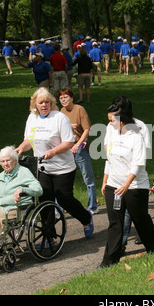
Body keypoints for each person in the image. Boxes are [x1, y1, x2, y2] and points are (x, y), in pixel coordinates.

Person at [16, 87, 94, 239]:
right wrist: (20, 148)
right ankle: (49, 234)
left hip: (63, 168)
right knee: (45, 199)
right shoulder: (32, 118)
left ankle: (86, 218)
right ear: (35, 104)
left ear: (51, 103)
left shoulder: (59, 118)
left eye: (47, 102)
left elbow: (69, 142)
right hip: (43, 167)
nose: (44, 105)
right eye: (40, 102)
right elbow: (29, 141)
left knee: (65, 199)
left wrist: (53, 152)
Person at [99, 97, 154, 268]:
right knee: (115, 224)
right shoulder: (110, 131)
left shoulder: (136, 136)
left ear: (122, 119)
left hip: (134, 187)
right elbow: (109, 159)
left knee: (140, 219)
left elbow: (138, 164)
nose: (109, 124)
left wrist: (126, 185)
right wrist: (105, 182)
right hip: (114, 186)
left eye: (112, 120)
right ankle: (109, 261)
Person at [59, 87, 98, 215]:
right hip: (66, 148)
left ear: (72, 97)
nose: (63, 100)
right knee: (61, 178)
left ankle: (93, 206)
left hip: (80, 148)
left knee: (88, 178)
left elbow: (87, 130)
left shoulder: (79, 109)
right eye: (61, 97)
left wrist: (78, 145)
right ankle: (58, 207)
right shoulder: (61, 111)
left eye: (65, 97)